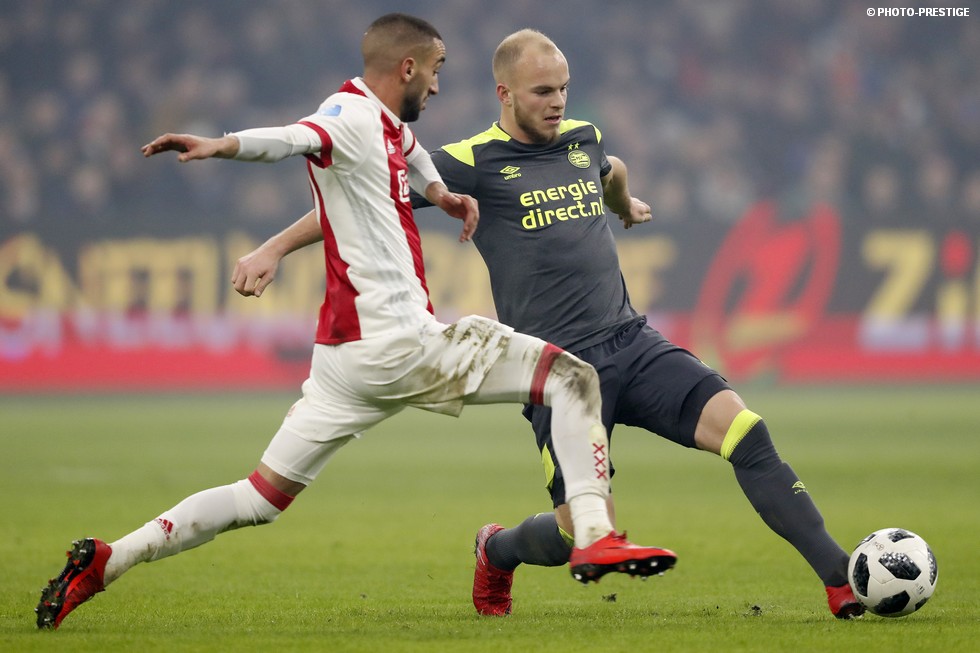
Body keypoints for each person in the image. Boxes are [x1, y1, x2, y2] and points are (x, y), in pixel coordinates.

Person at [34, 15, 676, 631]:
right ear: (408, 68)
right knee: (572, 377)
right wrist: (221, 145)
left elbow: (412, 155)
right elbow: (294, 137)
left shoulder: (389, 125)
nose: (439, 86)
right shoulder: (346, 115)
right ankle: (596, 535)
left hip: (343, 363)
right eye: (435, 71)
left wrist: (441, 194)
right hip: (401, 343)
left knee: (258, 498)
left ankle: (108, 560)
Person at [230, 28, 863, 620]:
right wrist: (273, 249)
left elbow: (610, 169)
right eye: (542, 92)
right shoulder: (469, 162)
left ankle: (841, 581)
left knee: (747, 432)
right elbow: (364, 203)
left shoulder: (582, 138)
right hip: (559, 372)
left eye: (563, 88)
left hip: (632, 341)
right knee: (573, 535)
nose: (558, 102)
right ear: (504, 94)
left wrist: (625, 205)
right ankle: (497, 549)